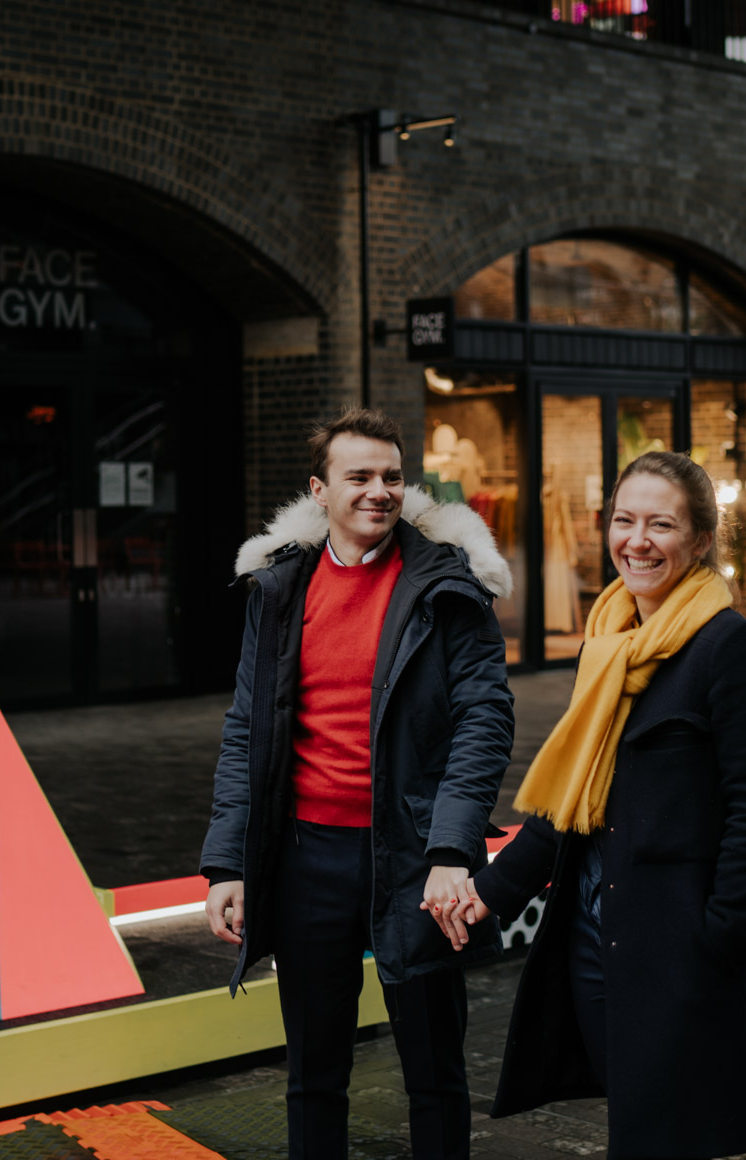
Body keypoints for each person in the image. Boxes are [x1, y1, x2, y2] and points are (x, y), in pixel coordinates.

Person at [438, 449, 746, 1160]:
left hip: (680, 948)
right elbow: (573, 805)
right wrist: (487, 893)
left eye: (661, 524)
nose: (638, 540)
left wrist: (722, 939)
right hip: (599, 942)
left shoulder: (730, 647)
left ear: (699, 540)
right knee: (636, 1124)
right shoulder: (608, 643)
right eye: (625, 521)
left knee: (670, 1138)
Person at [200, 407, 516, 1160]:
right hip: (308, 858)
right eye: (361, 477)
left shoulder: (445, 585)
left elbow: (485, 719)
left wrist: (452, 848)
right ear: (321, 490)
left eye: (393, 478)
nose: (381, 491)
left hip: (412, 858)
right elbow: (247, 727)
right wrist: (227, 861)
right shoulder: (279, 591)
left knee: (434, 1071)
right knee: (313, 1074)